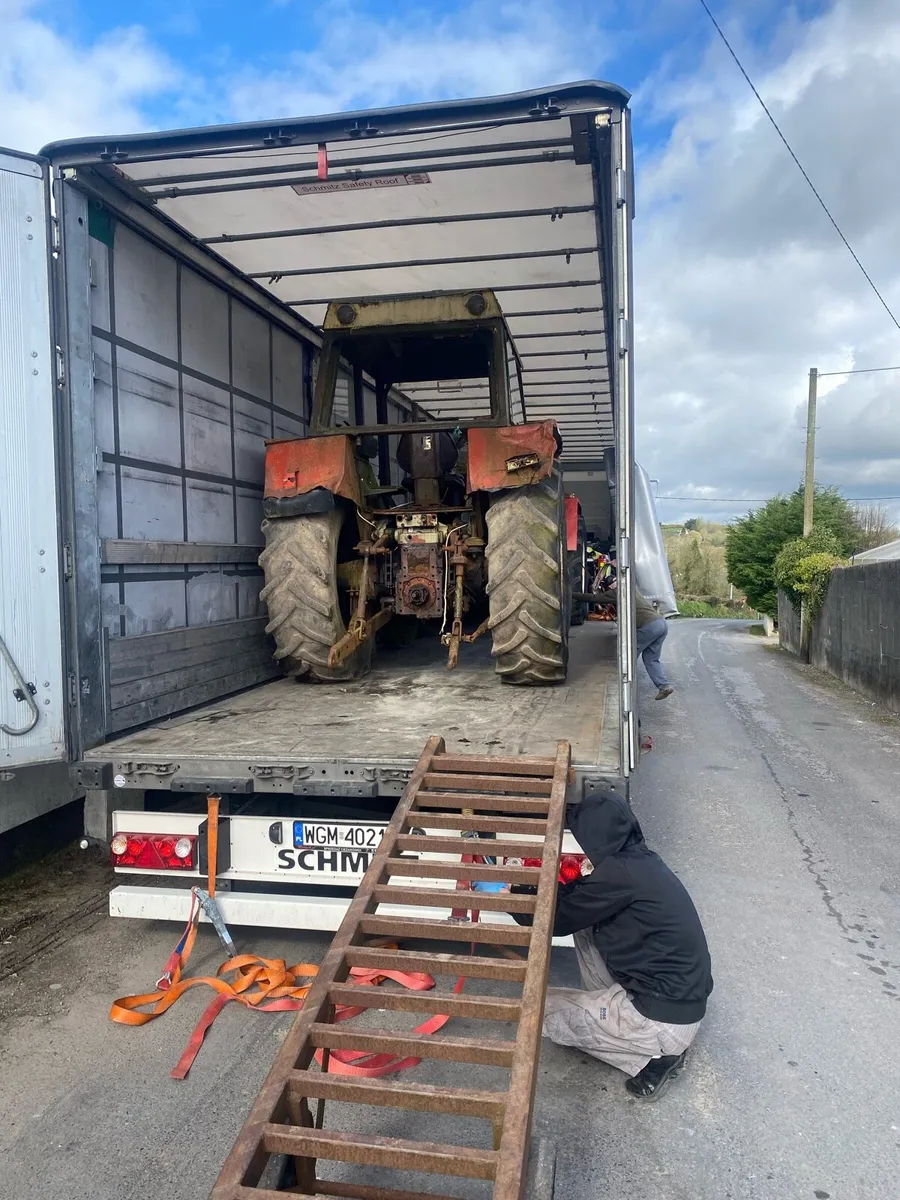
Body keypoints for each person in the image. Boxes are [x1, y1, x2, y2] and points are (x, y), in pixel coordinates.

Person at [515, 789, 713, 1100]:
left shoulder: (620, 874)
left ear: (597, 835)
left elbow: (553, 920)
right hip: (675, 1003)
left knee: (536, 1011)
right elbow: (582, 898)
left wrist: (510, 893)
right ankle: (606, 1013)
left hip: (659, 1022)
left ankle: (653, 1058)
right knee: (587, 926)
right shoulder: (638, 862)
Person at [599, 583, 673, 700]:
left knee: (629, 654)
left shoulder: (616, 592)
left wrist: (573, 595)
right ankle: (664, 686)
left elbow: (594, 598)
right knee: (651, 659)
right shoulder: (632, 588)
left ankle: (627, 686)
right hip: (661, 623)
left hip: (650, 626)